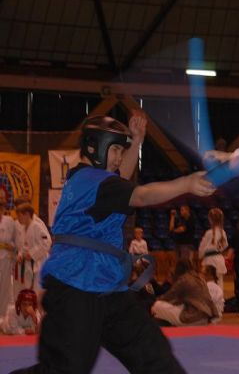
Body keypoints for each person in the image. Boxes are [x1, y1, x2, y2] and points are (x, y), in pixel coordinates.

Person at [10, 114, 215, 374]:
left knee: (153, 355)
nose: (120, 157)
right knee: (65, 369)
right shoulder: (91, 182)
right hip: (76, 288)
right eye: (116, 149)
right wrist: (186, 183)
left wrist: (136, 141)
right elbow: (141, 195)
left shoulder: (92, 181)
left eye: (122, 150)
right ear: (94, 146)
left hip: (108, 289)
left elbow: (120, 179)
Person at [151, 258, 219, 326]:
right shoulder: (200, 279)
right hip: (206, 318)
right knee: (176, 305)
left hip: (193, 318)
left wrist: (153, 301)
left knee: (156, 305)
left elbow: (168, 297)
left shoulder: (184, 279)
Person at [14, 202, 52, 299]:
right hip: (29, 265)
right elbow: (24, 246)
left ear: (27, 214)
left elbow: (47, 242)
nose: (18, 219)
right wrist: (20, 255)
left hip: (39, 263)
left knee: (38, 290)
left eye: (19, 216)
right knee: (29, 290)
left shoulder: (37, 226)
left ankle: (38, 308)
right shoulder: (24, 228)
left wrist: (31, 254)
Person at [198, 207, 228, 290]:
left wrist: (200, 257)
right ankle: (219, 296)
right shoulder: (223, 232)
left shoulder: (208, 233)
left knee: (208, 283)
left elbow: (202, 248)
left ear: (210, 220)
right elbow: (225, 245)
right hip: (219, 259)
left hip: (209, 260)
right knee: (219, 282)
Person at [0, 200, 16, 316]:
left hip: (5, 258)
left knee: (5, 287)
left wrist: (10, 246)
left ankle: (2, 315)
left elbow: (16, 241)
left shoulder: (10, 222)